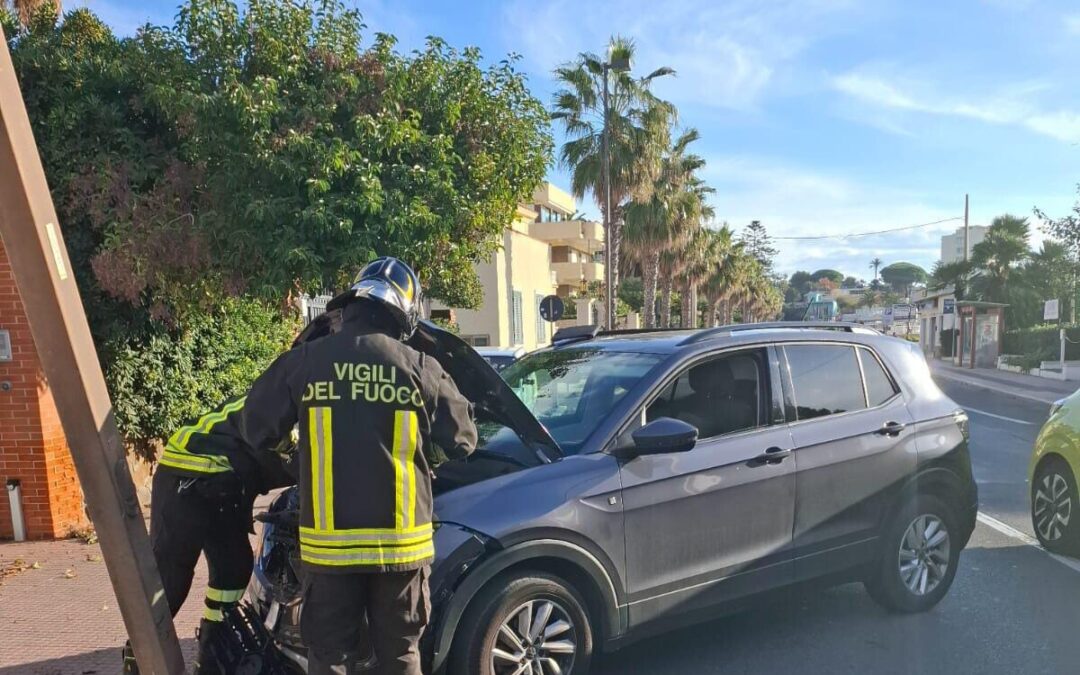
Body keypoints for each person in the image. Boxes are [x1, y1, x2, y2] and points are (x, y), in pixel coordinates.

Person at [226, 257, 478, 675]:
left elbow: (254, 427)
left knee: (329, 658)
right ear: (405, 313)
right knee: (401, 656)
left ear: (352, 305)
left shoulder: (307, 362)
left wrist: (294, 462)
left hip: (329, 554)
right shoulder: (419, 367)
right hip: (402, 551)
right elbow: (464, 440)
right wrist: (427, 459)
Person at [122, 400, 296, 675]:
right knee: (171, 580)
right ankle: (139, 661)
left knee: (234, 570)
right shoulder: (288, 403)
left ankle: (212, 650)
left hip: (228, 482)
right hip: (189, 471)